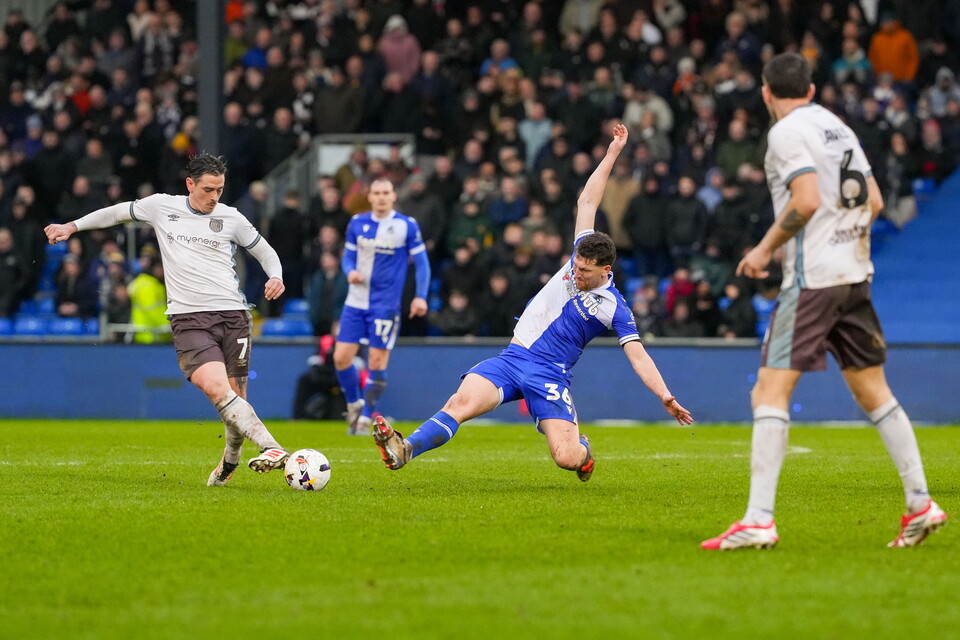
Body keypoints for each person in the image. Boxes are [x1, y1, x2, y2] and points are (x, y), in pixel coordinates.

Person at [702, 54, 946, 551]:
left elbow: (807, 199)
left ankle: (758, 520)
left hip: (813, 279)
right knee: (873, 392)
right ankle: (920, 503)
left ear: (767, 93)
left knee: (768, 391)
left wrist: (765, 248)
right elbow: (874, 201)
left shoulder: (786, 133)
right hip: (853, 275)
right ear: (811, 89)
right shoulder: (838, 127)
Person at [371, 125, 693, 481]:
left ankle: (583, 451)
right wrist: (613, 152)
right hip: (513, 357)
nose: (577, 272)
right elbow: (588, 201)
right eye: (577, 265)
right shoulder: (580, 251)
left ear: (606, 269)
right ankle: (406, 449)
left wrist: (665, 395)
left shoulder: (614, 307)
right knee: (459, 403)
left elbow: (638, 356)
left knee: (566, 458)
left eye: (585, 270)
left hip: (549, 375)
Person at [43, 154, 291, 487]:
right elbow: (117, 213)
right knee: (216, 388)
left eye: (219, 189)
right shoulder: (161, 207)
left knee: (236, 397)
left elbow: (265, 251)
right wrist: (72, 226)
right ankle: (274, 448)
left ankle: (230, 461)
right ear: (190, 184)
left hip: (233, 316)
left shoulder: (231, 217)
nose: (214, 196)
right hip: (188, 318)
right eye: (207, 189)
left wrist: (275, 275)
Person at [334, 177, 430, 436]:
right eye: (376, 193)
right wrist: (350, 271)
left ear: (394, 195)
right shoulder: (357, 223)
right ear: (370, 196)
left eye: (386, 192)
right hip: (356, 302)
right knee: (341, 358)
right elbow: (348, 257)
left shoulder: (406, 226)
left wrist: (420, 296)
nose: (381, 197)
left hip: (385, 305)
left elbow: (422, 263)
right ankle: (354, 403)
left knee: (377, 362)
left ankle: (366, 417)